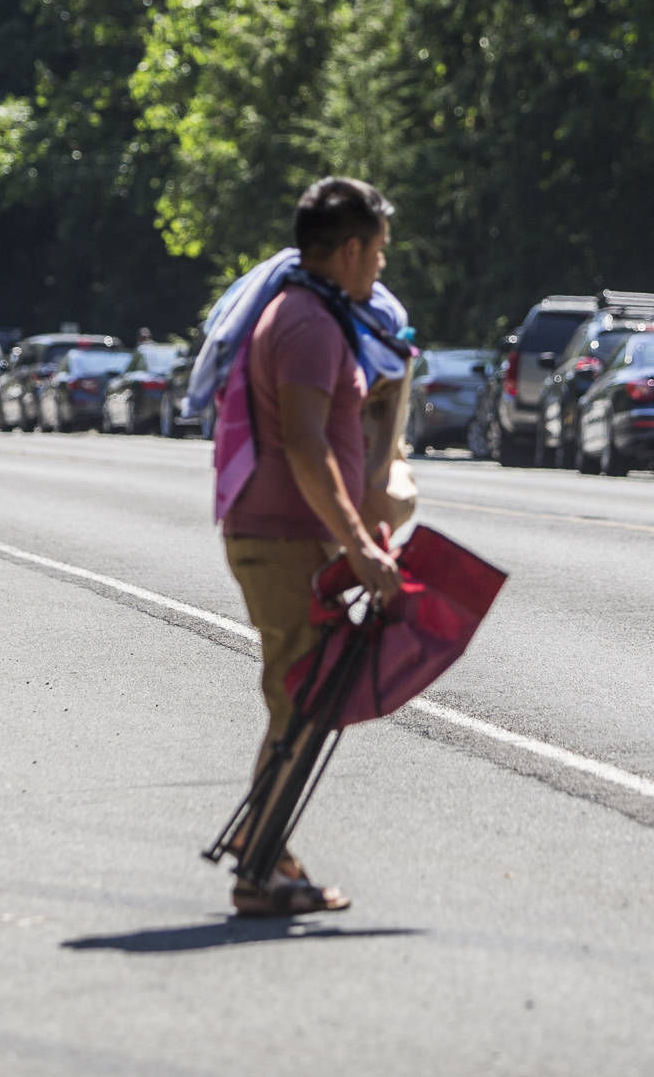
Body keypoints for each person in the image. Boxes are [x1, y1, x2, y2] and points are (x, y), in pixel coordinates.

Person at [220, 177, 404, 915]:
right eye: (380, 253)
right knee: (299, 706)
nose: (382, 268)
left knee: (300, 704)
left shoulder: (313, 311)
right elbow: (304, 442)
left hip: (291, 536)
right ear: (351, 249)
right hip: (284, 538)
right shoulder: (307, 323)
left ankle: (266, 851)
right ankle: (259, 872)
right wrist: (358, 544)